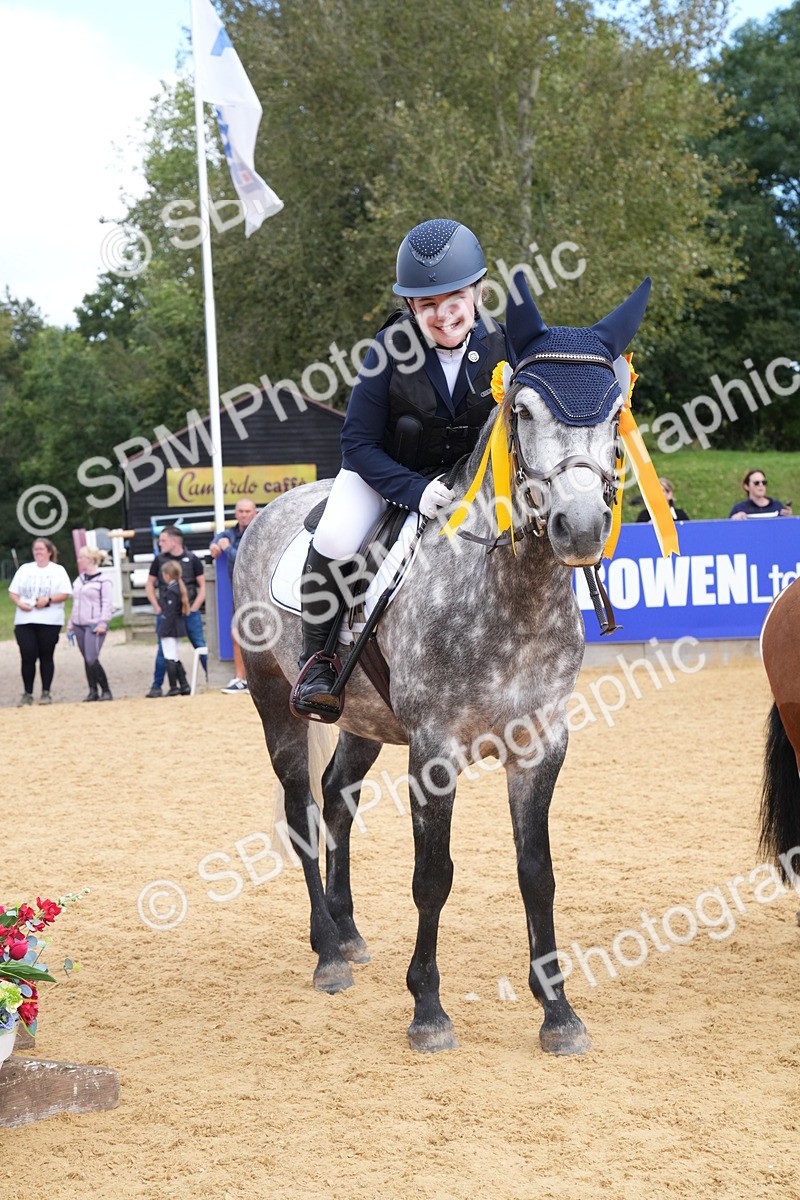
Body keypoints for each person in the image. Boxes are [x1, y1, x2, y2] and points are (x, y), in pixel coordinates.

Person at [294, 217, 508, 716]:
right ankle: (317, 661)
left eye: (453, 299)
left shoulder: (504, 344)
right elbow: (358, 442)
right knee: (336, 538)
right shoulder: (388, 351)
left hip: (472, 481)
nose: (443, 315)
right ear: (411, 306)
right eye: (427, 304)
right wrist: (413, 491)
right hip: (387, 471)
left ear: (476, 292)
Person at [144, 526, 207, 697]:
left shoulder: (192, 559)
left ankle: (212, 679)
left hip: (189, 613)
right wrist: (157, 607)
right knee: (163, 650)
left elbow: (202, 585)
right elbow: (150, 584)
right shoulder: (159, 560)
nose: (160, 543)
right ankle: (157, 686)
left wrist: (194, 607)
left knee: (200, 645)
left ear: (174, 541)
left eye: (163, 540)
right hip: (168, 612)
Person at [8, 538, 72, 706]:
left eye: (41, 549)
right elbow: (13, 592)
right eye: (35, 549)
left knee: (46, 655)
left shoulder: (58, 571)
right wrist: (19, 603)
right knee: (27, 654)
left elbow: (65, 593)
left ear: (49, 551)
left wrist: (48, 599)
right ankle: (27, 692)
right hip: (25, 618)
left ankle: (46, 691)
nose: (38, 552)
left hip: (49, 619)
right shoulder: (24, 569)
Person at [209, 498, 258, 693]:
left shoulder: (258, 531)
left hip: (258, 591)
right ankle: (242, 679)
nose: (244, 514)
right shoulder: (231, 532)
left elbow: (244, 558)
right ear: (236, 513)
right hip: (240, 593)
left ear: (254, 512)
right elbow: (220, 538)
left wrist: (226, 548)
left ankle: (250, 679)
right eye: (241, 511)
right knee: (238, 634)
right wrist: (215, 545)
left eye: (248, 511)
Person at [68, 546, 113, 701]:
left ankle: (106, 690)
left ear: (91, 559)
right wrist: (70, 623)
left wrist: (103, 622)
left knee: (91, 657)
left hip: (94, 623)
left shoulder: (103, 581)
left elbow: (107, 603)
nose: (79, 560)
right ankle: (92, 690)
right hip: (79, 623)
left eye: (82, 558)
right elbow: (76, 603)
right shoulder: (79, 580)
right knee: (86, 658)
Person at [159, 560, 191, 696]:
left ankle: (174, 686)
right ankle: (183, 685)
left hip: (170, 628)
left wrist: (163, 630)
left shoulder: (172, 591)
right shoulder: (179, 588)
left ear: (167, 575)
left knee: (170, 657)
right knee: (175, 656)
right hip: (177, 627)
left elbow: (170, 613)